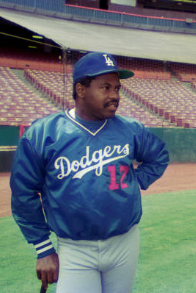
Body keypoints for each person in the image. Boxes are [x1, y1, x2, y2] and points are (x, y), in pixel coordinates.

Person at [10, 52, 170, 293]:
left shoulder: (131, 129)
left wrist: (135, 181)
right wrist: (43, 248)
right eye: (105, 87)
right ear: (81, 89)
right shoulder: (43, 134)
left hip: (125, 241)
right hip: (74, 248)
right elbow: (24, 193)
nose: (115, 95)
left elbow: (158, 156)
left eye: (117, 88)